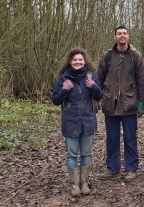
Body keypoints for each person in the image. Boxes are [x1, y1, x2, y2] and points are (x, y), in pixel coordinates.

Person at [97, 26, 144, 181]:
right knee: (112, 138)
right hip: (110, 104)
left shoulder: (135, 56)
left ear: (128, 36)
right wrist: (96, 97)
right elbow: (99, 77)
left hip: (129, 104)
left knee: (130, 138)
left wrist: (142, 102)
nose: (122, 36)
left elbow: (141, 81)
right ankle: (112, 168)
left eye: (124, 33)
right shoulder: (108, 56)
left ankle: (131, 169)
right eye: (119, 33)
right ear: (115, 37)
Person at [52, 48, 103, 196]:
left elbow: (99, 96)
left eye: (80, 59)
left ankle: (84, 183)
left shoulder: (91, 76)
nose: (78, 62)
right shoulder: (64, 78)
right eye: (75, 60)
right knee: (72, 155)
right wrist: (64, 90)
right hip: (70, 121)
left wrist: (94, 86)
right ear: (70, 61)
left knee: (86, 154)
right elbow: (55, 100)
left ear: (85, 61)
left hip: (88, 120)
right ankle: (75, 185)